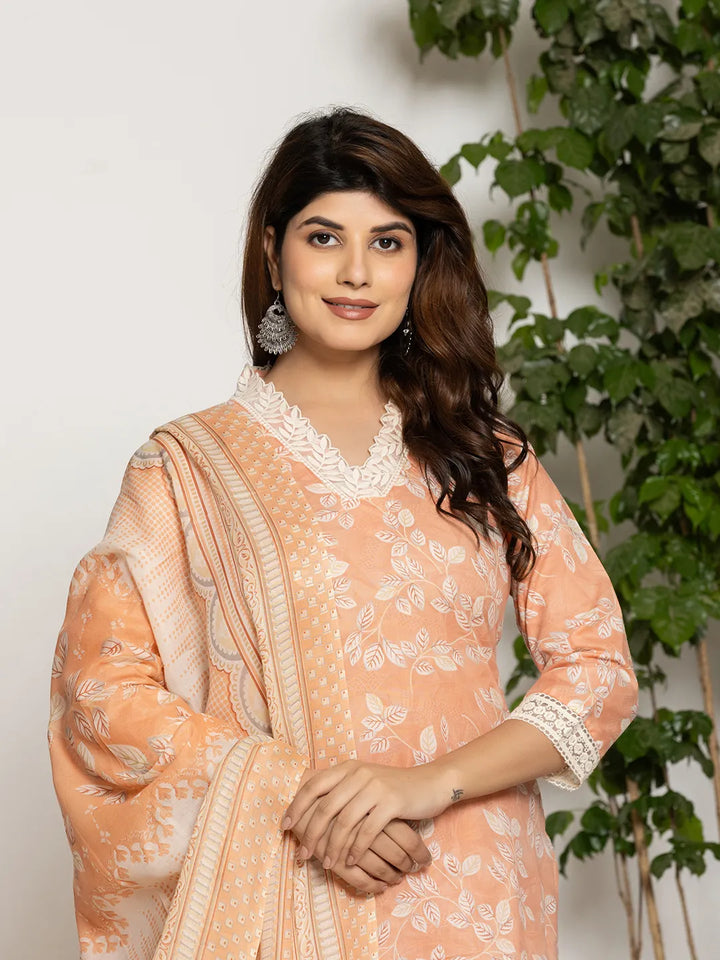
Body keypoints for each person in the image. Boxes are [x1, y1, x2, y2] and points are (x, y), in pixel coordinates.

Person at [48, 107, 638, 960]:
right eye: (324, 238)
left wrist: (429, 783)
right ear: (273, 252)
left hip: (480, 890)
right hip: (292, 883)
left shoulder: (488, 455)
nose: (356, 271)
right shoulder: (184, 466)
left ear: (420, 261)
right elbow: (102, 693)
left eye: (388, 242)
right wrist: (304, 800)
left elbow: (597, 668)